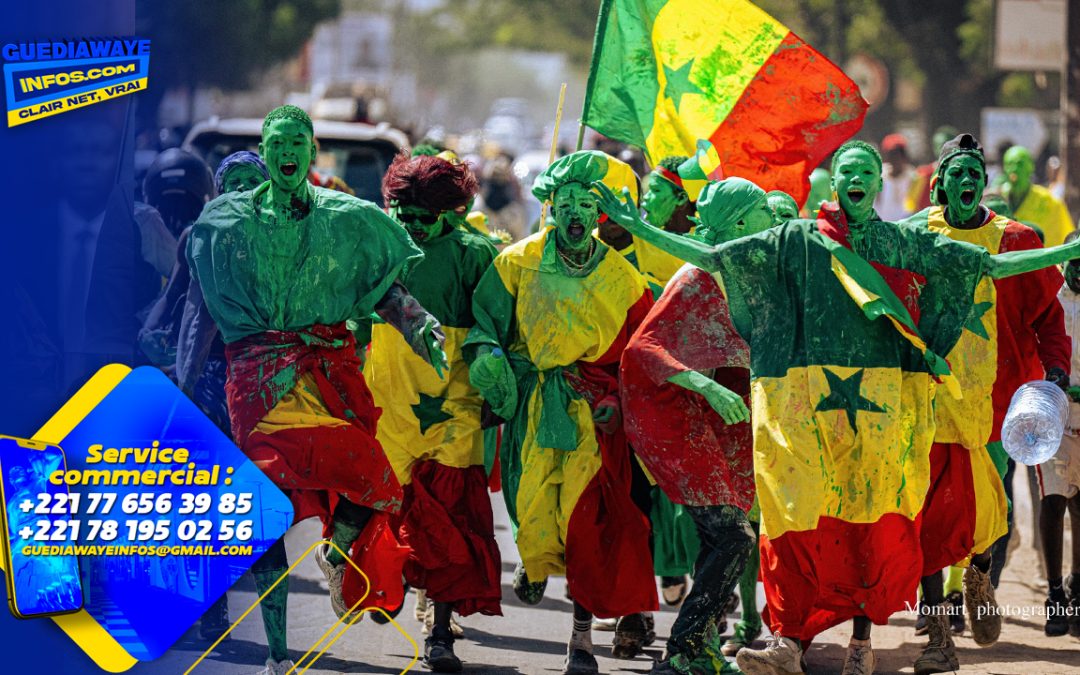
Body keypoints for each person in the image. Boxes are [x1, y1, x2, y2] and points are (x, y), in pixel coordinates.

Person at [597, 139, 1080, 675]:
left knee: (880, 528)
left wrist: (1064, 253)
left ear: (877, 184)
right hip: (806, 412)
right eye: (847, 170)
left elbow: (989, 265)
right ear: (836, 181)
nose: (857, 179)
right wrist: (635, 227)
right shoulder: (797, 238)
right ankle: (789, 639)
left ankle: (862, 645)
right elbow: (714, 258)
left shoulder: (901, 242)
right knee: (795, 515)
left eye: (866, 172)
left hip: (887, 414)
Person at [186, 105, 447, 675]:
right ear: (266, 149)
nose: (287, 151)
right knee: (264, 517)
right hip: (258, 383)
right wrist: (182, 384)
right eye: (277, 142)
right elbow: (198, 314)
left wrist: (418, 322)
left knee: (374, 478)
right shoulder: (223, 224)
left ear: (310, 151)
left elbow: (384, 291)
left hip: (328, 375)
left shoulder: (346, 219)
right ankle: (278, 654)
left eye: (296, 142)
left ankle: (336, 551)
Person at [465, 150, 657, 675]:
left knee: (583, 525)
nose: (575, 213)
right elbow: (486, 325)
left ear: (598, 213)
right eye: (565, 203)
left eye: (585, 204)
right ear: (550, 208)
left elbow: (639, 352)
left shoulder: (623, 278)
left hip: (590, 415)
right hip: (532, 409)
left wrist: (616, 401)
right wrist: (489, 361)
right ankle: (534, 560)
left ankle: (580, 639)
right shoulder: (517, 262)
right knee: (532, 517)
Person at [901, 133, 1070, 673]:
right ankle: (938, 635)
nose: (968, 180)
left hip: (997, 407)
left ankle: (978, 576)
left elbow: (1049, 315)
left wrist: (1057, 368)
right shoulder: (916, 235)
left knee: (990, 512)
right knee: (925, 515)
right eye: (958, 173)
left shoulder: (1017, 240)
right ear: (940, 184)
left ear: (984, 182)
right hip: (928, 401)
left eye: (975, 172)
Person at [621, 177, 775, 674]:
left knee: (719, 540)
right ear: (738, 222)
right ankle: (683, 648)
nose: (772, 219)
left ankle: (701, 648)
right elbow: (645, 348)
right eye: (763, 211)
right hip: (679, 421)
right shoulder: (695, 277)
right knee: (734, 538)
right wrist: (708, 387)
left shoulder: (747, 269)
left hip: (719, 427)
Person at [368, 153, 502, 671]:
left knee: (451, 521)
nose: (412, 226)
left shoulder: (476, 253)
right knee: (383, 510)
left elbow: (496, 329)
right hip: (389, 403)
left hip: (455, 407)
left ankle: (441, 633)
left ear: (450, 212)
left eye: (423, 218)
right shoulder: (382, 244)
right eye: (403, 215)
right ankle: (388, 581)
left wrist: (497, 393)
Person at [1037, 230, 1080, 638]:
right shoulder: (1051, 300)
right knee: (1053, 502)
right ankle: (1054, 594)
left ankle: (1076, 586)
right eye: (1075, 261)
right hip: (1053, 418)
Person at [1001, 145, 1075, 246]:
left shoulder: (1049, 202)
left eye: (1019, 164)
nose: (1014, 169)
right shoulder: (997, 200)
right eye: (1009, 164)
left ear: (1031, 167)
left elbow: (1066, 239)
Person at [874, 133, 916, 220]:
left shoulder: (914, 178)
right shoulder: (879, 176)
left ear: (904, 156)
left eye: (897, 155)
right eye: (891, 155)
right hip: (883, 224)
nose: (894, 159)